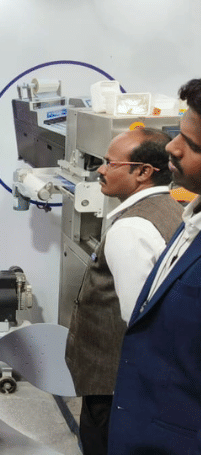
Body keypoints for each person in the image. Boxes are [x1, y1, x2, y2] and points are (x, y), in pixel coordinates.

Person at [64, 127, 182, 454]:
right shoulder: (172, 209)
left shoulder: (130, 229)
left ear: (143, 172)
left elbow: (139, 322)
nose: (100, 170)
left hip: (115, 387)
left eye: (110, 163)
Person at [108, 78, 201, 453]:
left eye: (191, 144)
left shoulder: (131, 228)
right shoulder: (189, 218)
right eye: (178, 134)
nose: (171, 148)